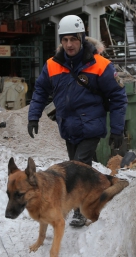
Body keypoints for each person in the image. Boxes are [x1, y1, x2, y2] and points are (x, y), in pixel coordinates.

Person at [27, 14, 128, 227]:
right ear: (61, 41)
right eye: (65, 40)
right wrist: (33, 116)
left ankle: (80, 211)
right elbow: (40, 91)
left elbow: (118, 98)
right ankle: (105, 186)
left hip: (91, 126)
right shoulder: (52, 65)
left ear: (81, 38)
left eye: (73, 39)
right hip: (68, 127)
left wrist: (117, 129)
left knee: (78, 167)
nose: (69, 44)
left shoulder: (101, 65)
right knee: (77, 166)